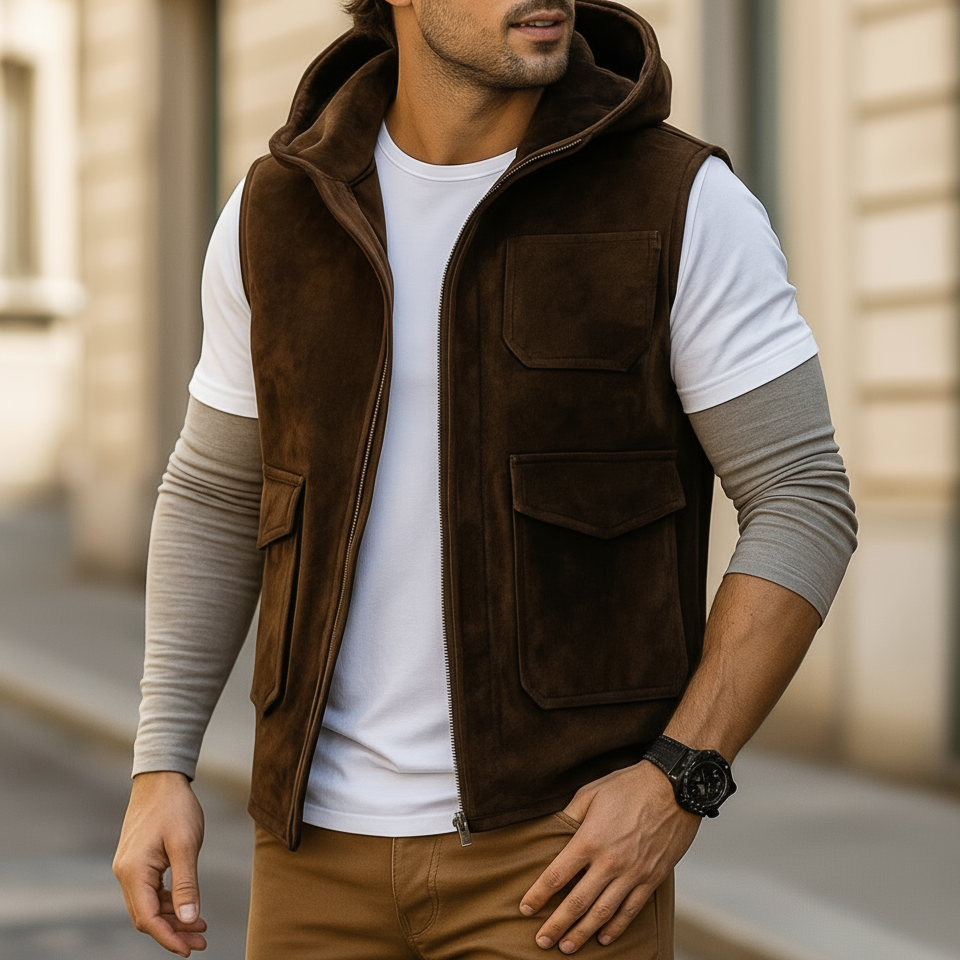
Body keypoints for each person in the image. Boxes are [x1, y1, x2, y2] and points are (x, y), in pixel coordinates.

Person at [113, 1, 857, 957]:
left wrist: (683, 778)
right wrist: (159, 763)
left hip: (558, 866)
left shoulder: (678, 199)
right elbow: (217, 497)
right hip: (310, 861)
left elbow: (803, 497)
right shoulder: (281, 208)